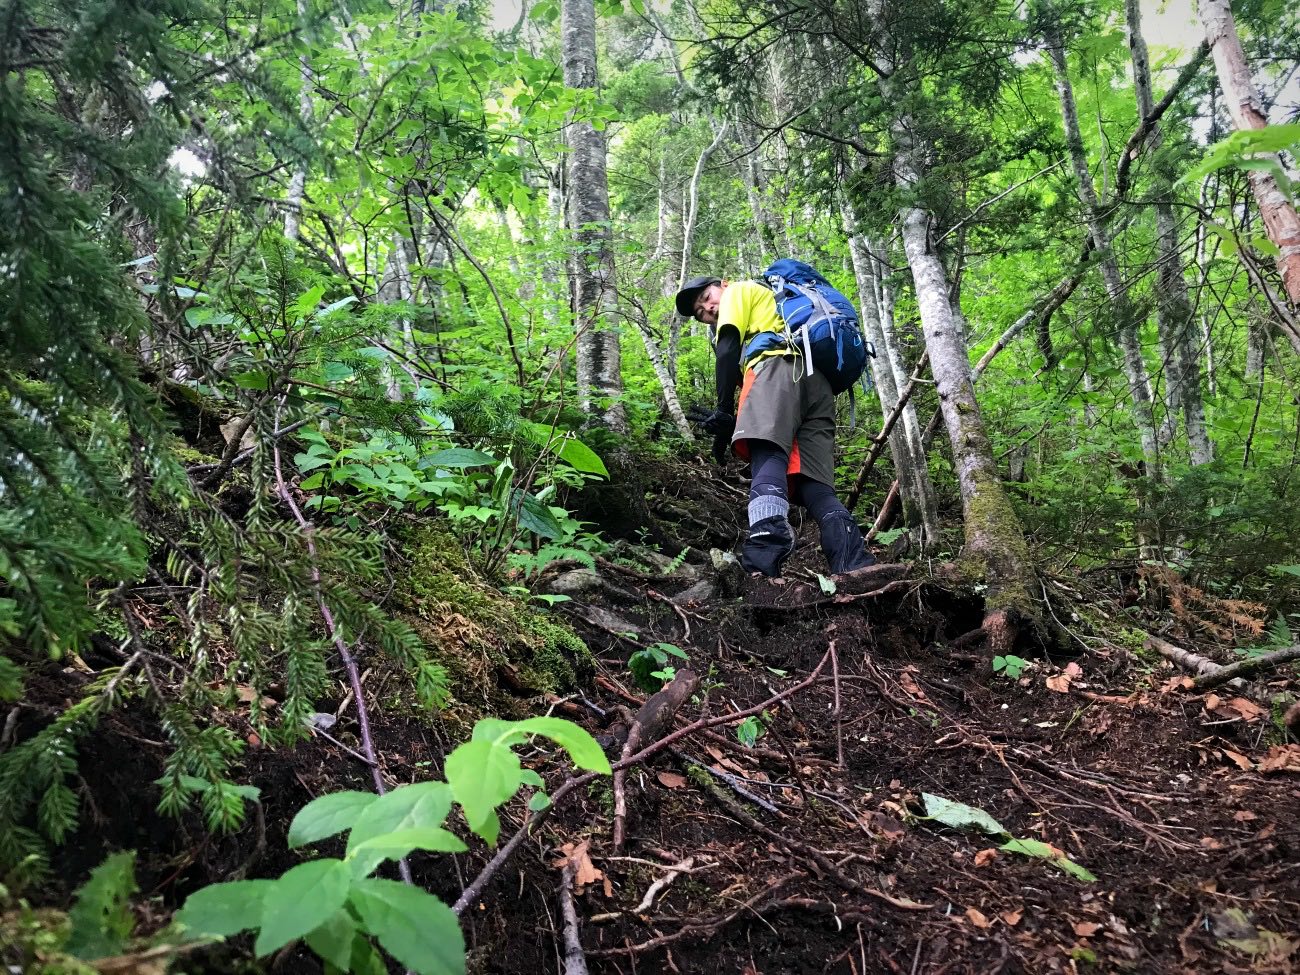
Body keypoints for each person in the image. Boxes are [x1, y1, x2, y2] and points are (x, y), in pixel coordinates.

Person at [676, 275, 874, 577]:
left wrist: (723, 410)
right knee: (813, 483)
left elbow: (728, 349)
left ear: (722, 284)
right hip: (816, 384)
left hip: (775, 366)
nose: (709, 309)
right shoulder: (771, 304)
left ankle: (764, 552)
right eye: (701, 312)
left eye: (706, 297)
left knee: (768, 455)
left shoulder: (737, 291)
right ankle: (852, 560)